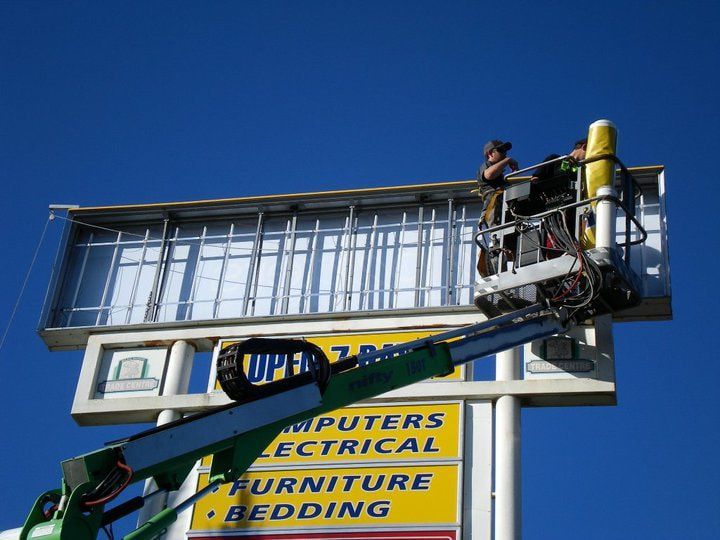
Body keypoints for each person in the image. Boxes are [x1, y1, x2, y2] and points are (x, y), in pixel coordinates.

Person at [476, 140, 519, 227]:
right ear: (491, 153)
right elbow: (489, 175)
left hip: (503, 211)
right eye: (501, 150)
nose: (505, 153)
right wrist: (507, 161)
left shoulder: (500, 177)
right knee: (499, 234)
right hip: (494, 209)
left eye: (505, 151)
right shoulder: (486, 165)